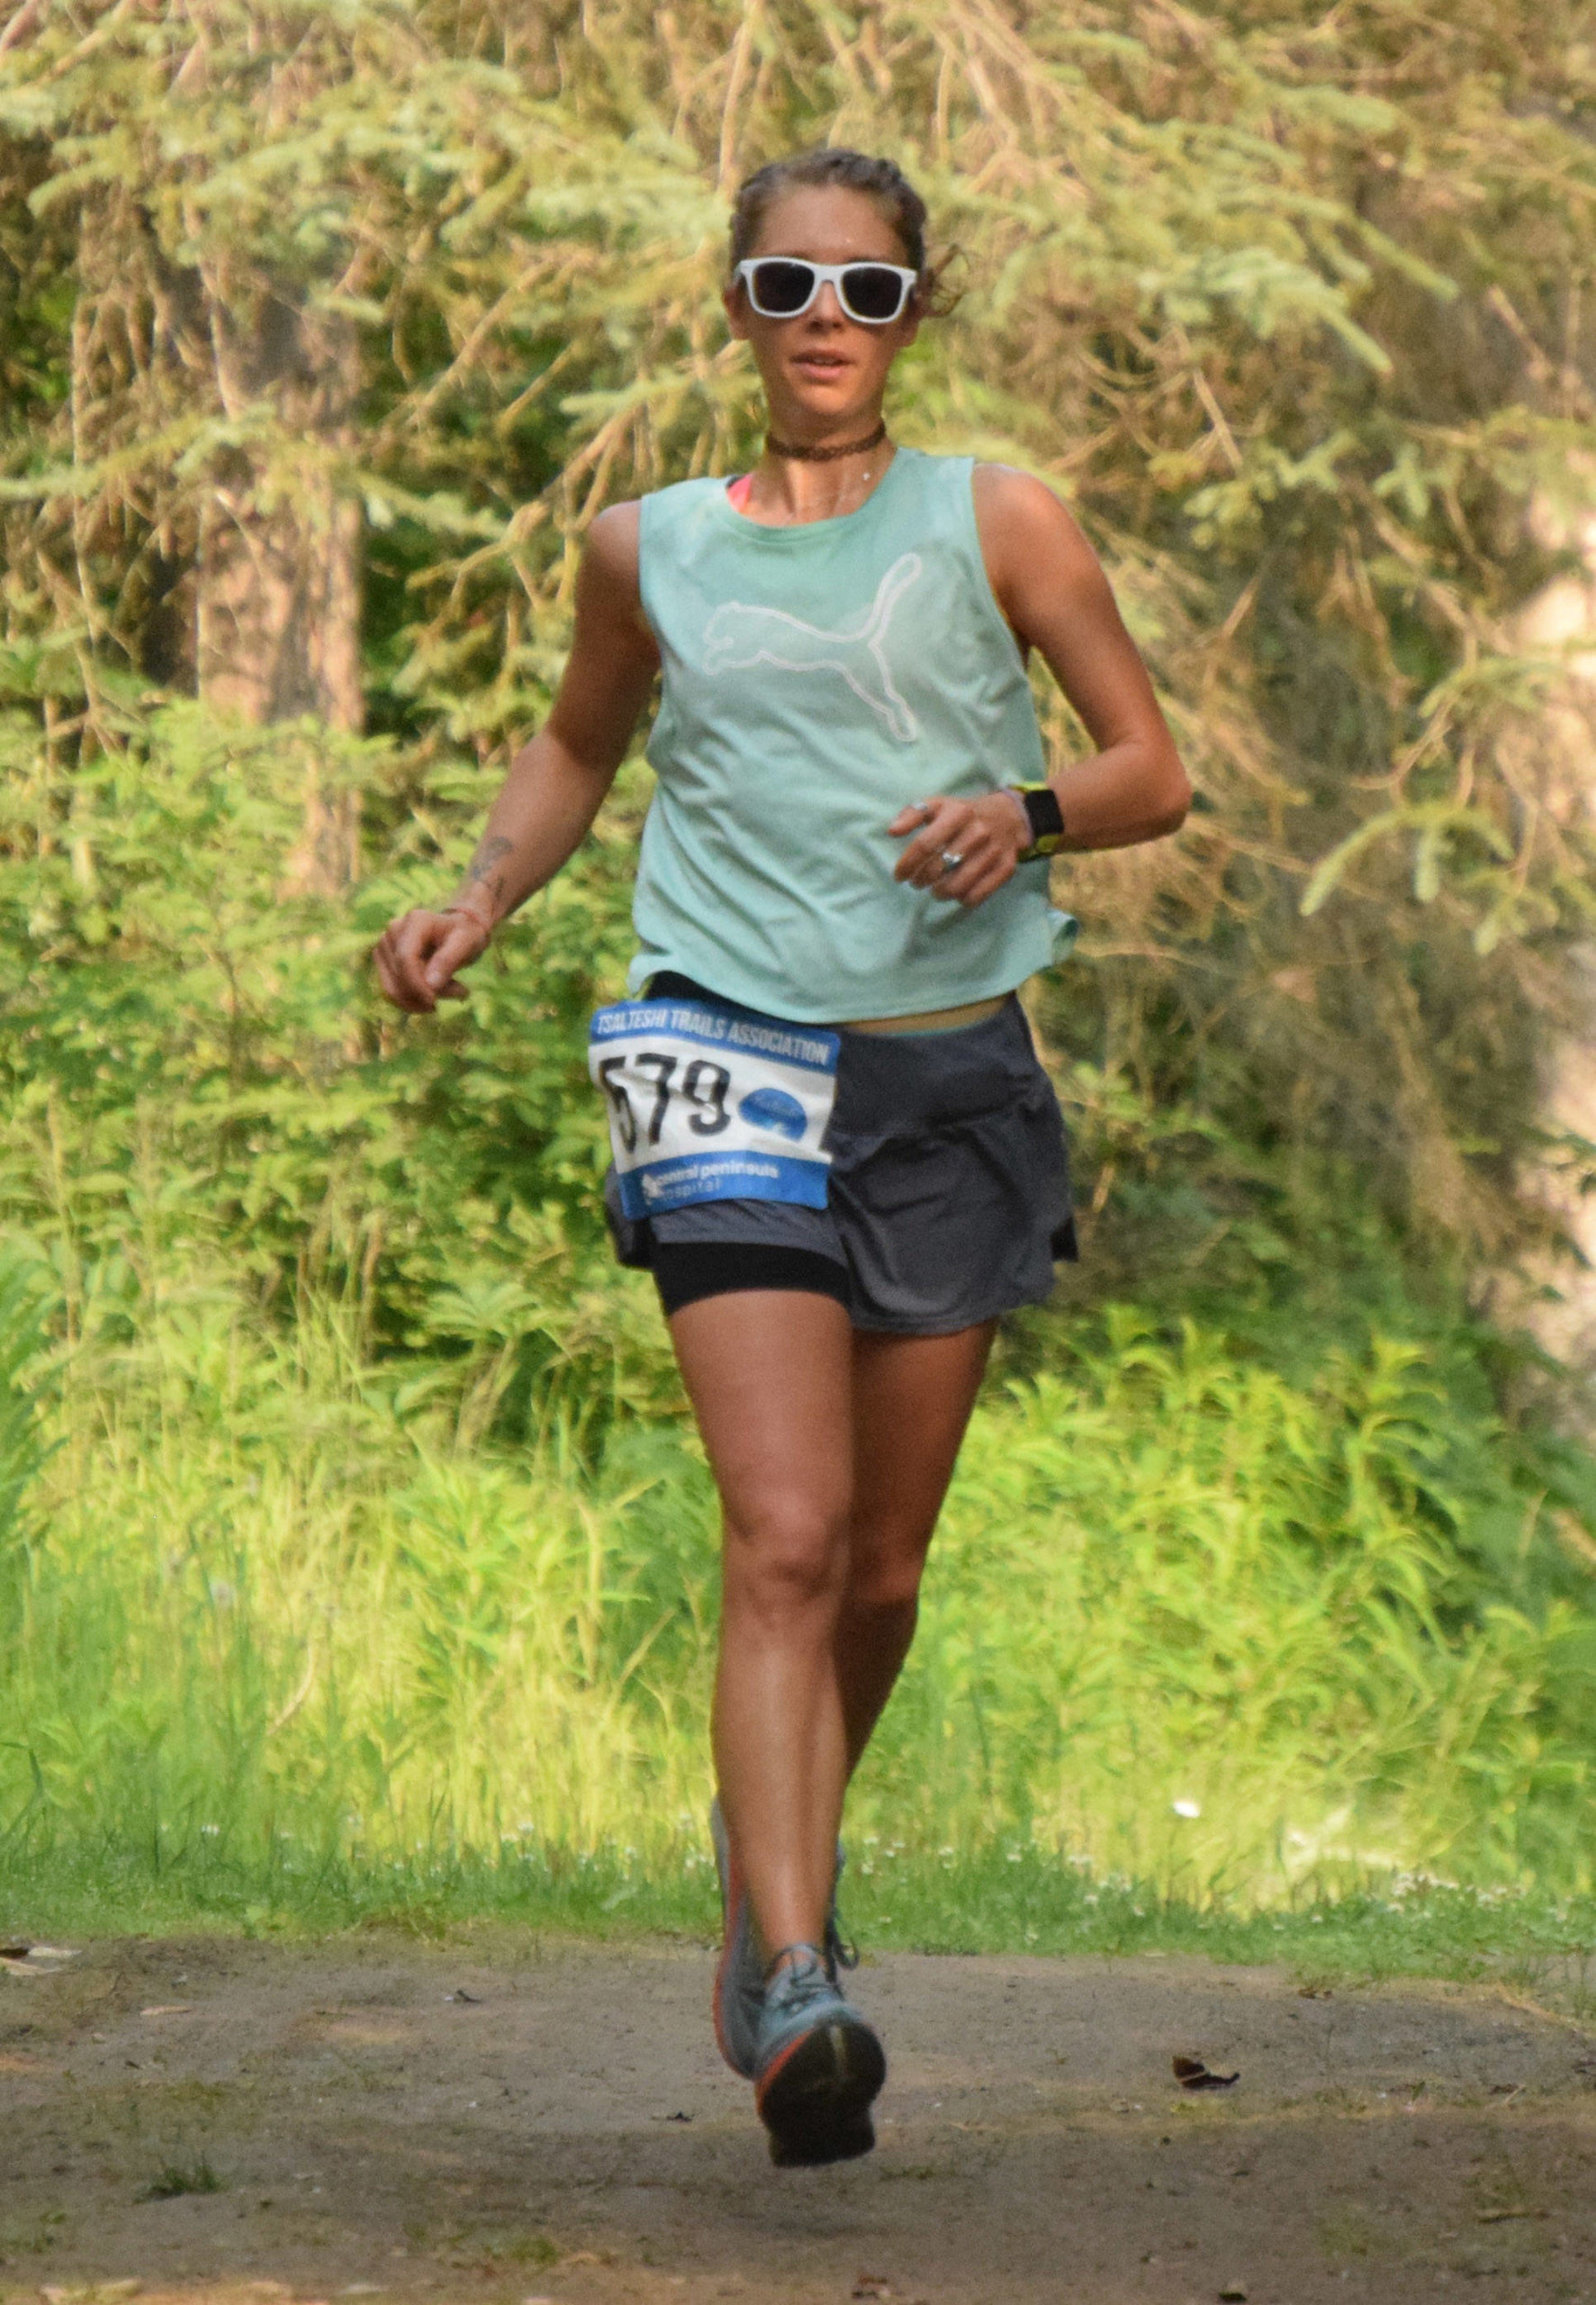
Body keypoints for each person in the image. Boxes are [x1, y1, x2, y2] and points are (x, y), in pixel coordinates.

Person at [374, 147, 1190, 2169]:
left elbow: (1148, 767)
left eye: (865, 293)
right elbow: (575, 743)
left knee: (884, 1574)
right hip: (711, 1044)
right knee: (786, 1535)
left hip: (943, 1078)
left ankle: (763, 1880)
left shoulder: (996, 516)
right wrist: (479, 894)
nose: (824, 322)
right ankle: (802, 1976)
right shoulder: (636, 544)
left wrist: (1027, 809)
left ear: (917, 316)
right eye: (785, 285)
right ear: (733, 306)